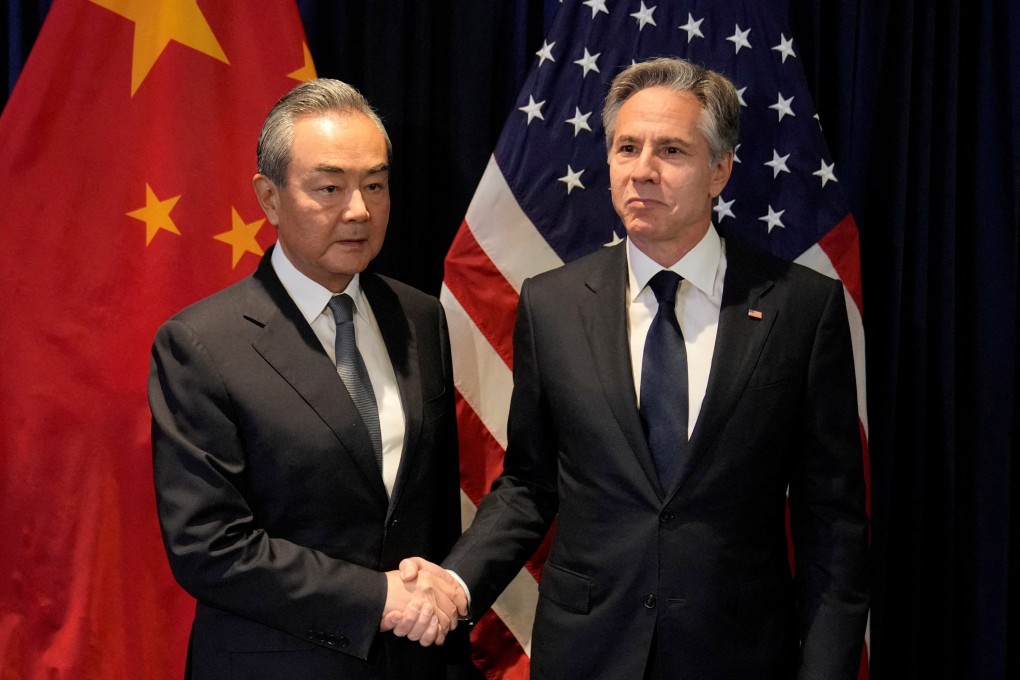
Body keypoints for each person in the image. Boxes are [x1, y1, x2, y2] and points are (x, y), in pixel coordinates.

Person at [400, 57, 870, 679]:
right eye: (627, 147)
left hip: (739, 654)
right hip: (588, 653)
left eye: (671, 150)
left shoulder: (802, 308)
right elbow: (530, 484)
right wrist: (458, 583)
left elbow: (830, 522)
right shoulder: (551, 303)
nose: (641, 171)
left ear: (720, 170)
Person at [149, 78, 468, 680]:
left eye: (375, 185)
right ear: (269, 199)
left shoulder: (421, 316)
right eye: (329, 188)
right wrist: (377, 598)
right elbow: (208, 545)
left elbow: (427, 508)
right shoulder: (201, 343)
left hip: (413, 662)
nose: (359, 210)